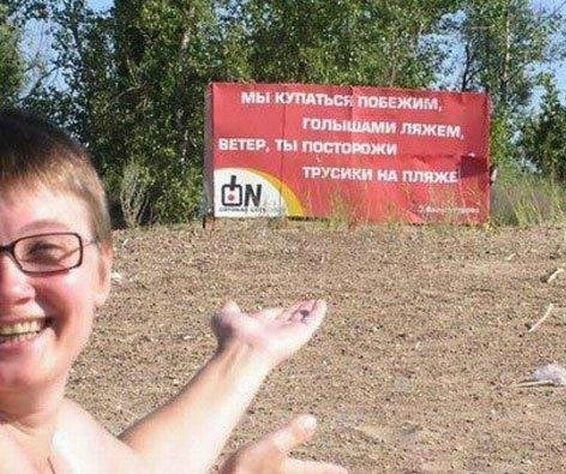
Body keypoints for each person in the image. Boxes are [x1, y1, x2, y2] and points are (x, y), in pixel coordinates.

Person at [0, 109, 347, 474]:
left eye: (45, 250)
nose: (9, 288)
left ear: (102, 271)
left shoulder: (58, 432)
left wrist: (244, 354)